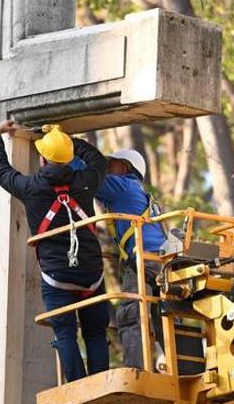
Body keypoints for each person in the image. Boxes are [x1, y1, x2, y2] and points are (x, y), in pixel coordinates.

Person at [0, 121, 109, 382]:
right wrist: (66, 139)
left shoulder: (31, 188)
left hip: (57, 276)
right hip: (91, 273)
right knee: (96, 332)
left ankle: (78, 387)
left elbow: (0, 170)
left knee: (65, 333)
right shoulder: (86, 181)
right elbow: (97, 160)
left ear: (41, 158)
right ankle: (101, 385)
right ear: (68, 158)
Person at [95, 149, 167, 369]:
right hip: (162, 261)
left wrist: (68, 153)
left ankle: (134, 370)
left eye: (112, 164)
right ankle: (182, 367)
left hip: (142, 261)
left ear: (125, 168)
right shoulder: (139, 191)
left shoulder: (122, 186)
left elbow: (90, 179)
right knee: (167, 318)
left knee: (131, 315)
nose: (108, 169)